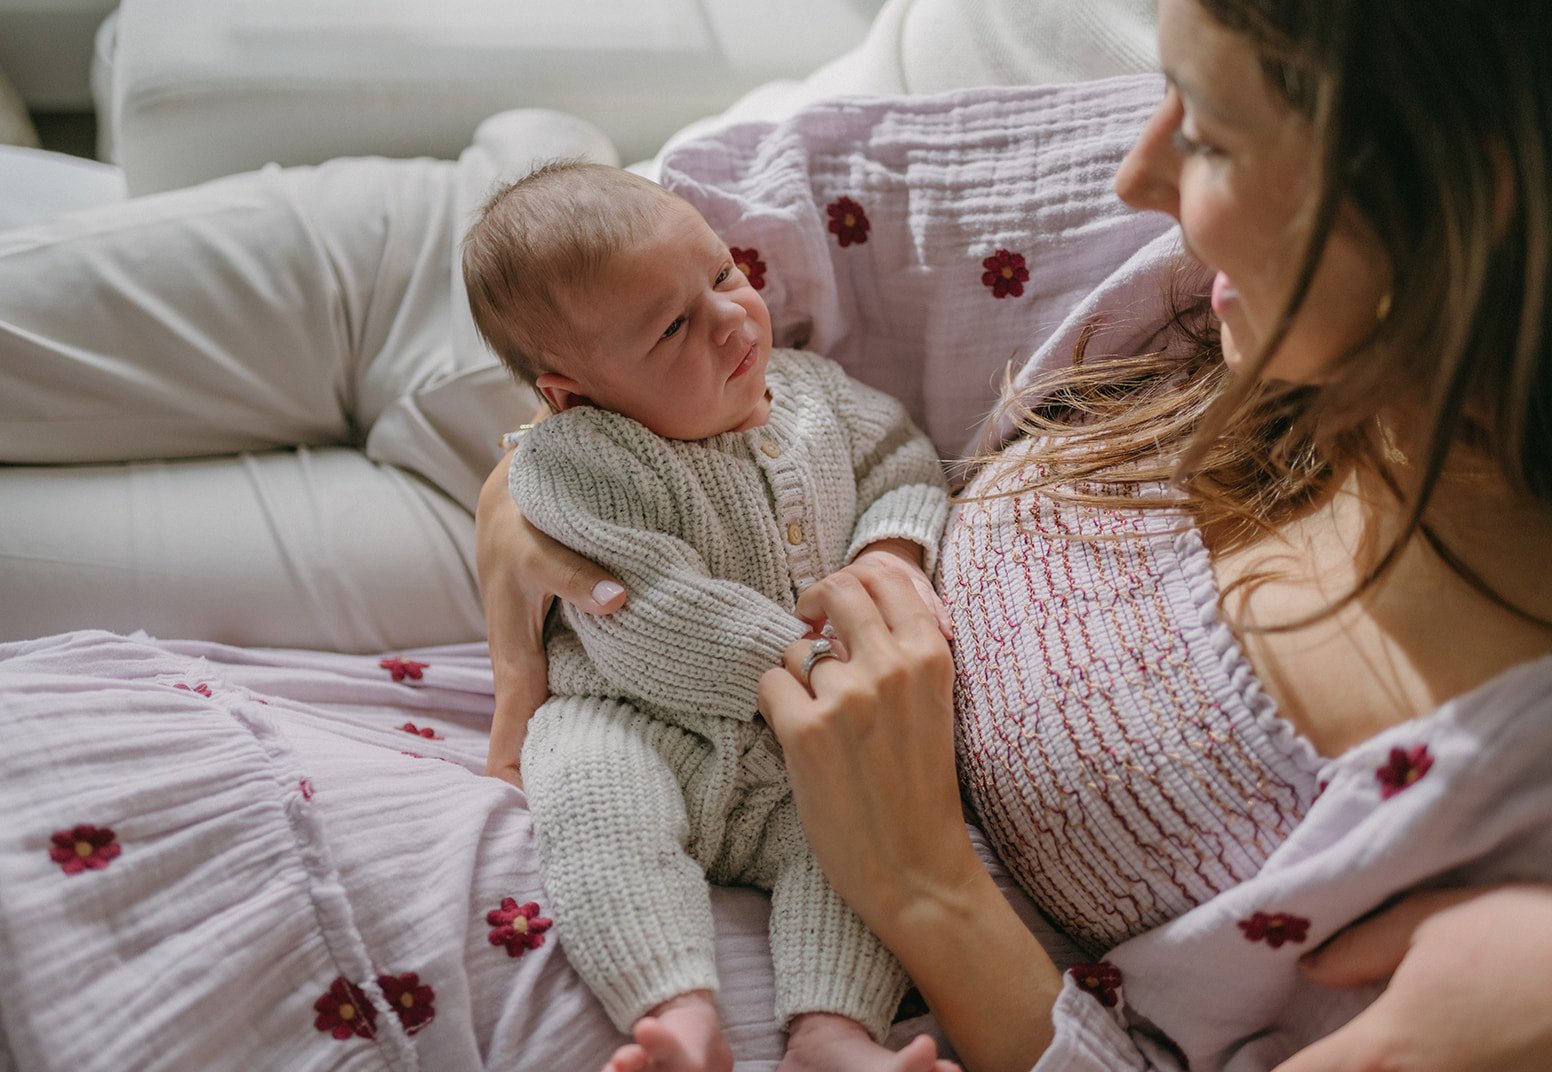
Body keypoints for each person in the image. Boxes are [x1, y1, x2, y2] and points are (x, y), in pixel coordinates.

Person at [473, 0, 1552, 1069]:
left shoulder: (1495, 835)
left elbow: (869, 441)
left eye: (1211, 135)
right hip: (623, 692)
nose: (1140, 176)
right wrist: (553, 472)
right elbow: (667, 245)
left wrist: (920, 879)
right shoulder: (1226, 291)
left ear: (1470, 195)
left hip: (808, 882)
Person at [459, 160, 955, 1072]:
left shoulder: (819, 395)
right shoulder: (579, 459)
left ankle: (831, 1033)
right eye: (673, 327)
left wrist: (891, 551)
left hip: (802, 744)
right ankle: (674, 1012)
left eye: (722, 275)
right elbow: (645, 610)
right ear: (573, 390)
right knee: (593, 800)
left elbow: (903, 460)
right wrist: (803, 660)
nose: (731, 318)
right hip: (645, 723)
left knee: (864, 839)